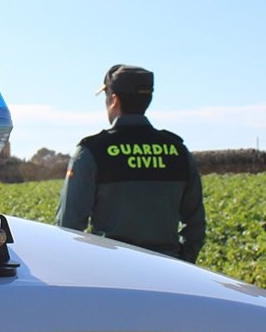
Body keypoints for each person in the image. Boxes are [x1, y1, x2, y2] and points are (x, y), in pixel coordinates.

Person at [55, 65, 205, 263]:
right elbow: (196, 226)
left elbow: (68, 226)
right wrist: (181, 263)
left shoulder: (92, 151)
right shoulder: (178, 151)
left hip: (111, 270)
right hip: (168, 271)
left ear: (114, 100)